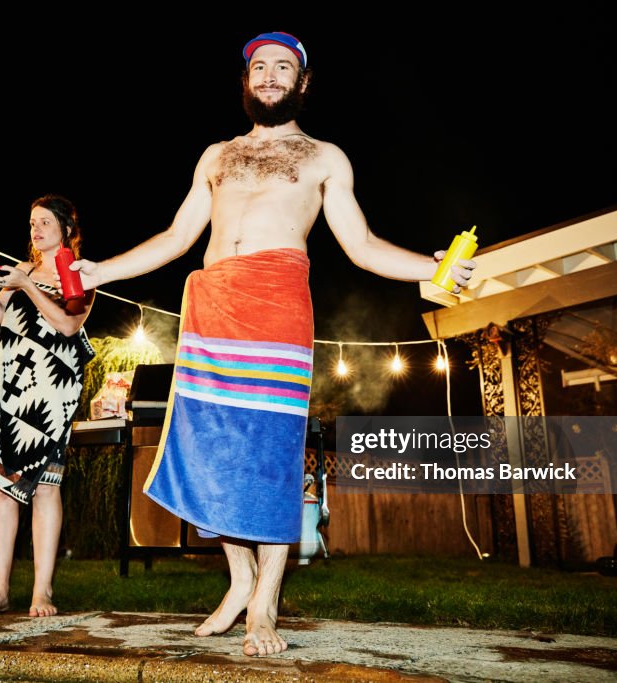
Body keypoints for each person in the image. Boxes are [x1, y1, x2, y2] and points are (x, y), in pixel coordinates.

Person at [71, 32, 475, 655]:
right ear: (245, 80)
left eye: (282, 67)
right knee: (210, 446)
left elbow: (362, 245)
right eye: (259, 66)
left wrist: (431, 264)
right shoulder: (216, 155)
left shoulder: (324, 158)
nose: (268, 75)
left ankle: (266, 606)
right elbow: (178, 236)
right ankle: (238, 582)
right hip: (213, 304)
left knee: (268, 453)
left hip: (278, 303)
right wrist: (102, 271)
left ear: (302, 83)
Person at [0, 194, 95, 617]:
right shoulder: (22, 271)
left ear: (67, 229)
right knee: (1, 485)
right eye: (32, 222)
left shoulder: (79, 274)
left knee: (47, 485)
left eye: (45, 222)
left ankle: (42, 592)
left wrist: (29, 285)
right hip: (7, 381)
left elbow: (69, 324)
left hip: (48, 394)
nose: (36, 229)